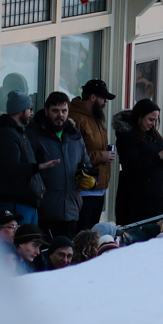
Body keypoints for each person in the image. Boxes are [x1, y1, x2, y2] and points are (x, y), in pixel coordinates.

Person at [27, 91, 90, 239]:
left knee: (66, 257)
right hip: (44, 211)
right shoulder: (34, 136)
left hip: (72, 210)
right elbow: (26, 169)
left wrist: (88, 178)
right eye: (55, 111)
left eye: (64, 111)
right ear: (47, 111)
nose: (60, 115)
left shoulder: (75, 136)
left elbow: (86, 163)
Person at [113, 99, 163, 228]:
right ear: (140, 117)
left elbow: (153, 157)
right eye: (150, 120)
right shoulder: (127, 136)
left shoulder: (152, 134)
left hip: (156, 196)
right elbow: (132, 165)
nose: (153, 124)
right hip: (136, 198)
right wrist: (158, 156)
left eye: (155, 120)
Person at [0, 90, 44, 227]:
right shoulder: (7, 134)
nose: (32, 113)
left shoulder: (19, 133)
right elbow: (12, 166)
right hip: (16, 202)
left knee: (29, 243)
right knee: (18, 243)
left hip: (27, 202)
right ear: (20, 110)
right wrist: (38, 167)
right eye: (30, 109)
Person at [69, 79, 116, 228]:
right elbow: (74, 155)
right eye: (103, 99)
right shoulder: (76, 119)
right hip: (84, 190)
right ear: (93, 98)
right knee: (83, 233)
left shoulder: (95, 118)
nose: (105, 103)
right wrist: (102, 156)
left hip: (98, 188)